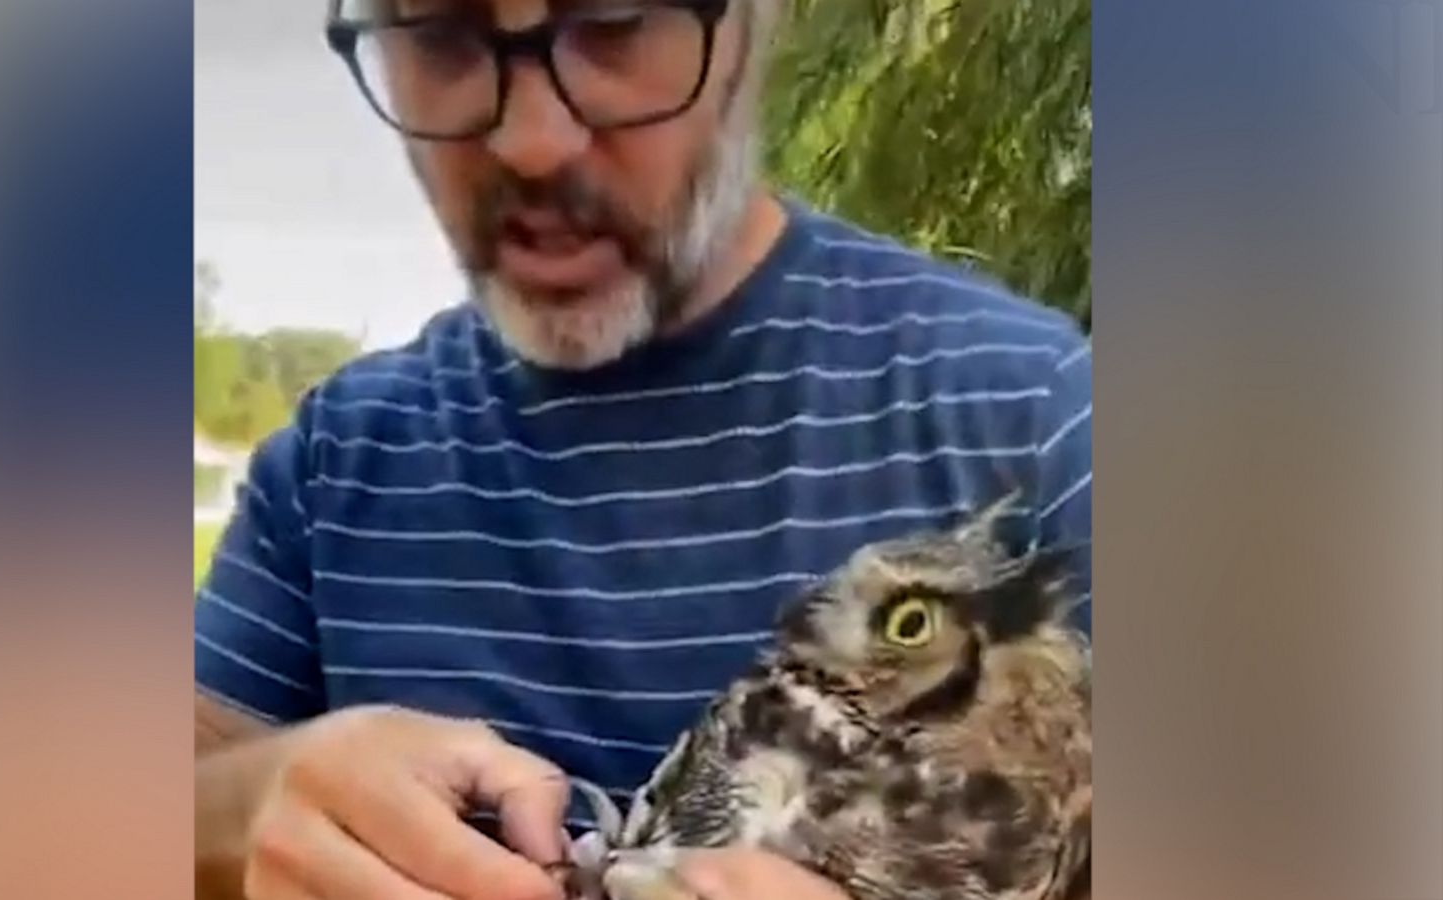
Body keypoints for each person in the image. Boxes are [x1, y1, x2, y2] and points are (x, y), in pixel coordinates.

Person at [194, 1, 1092, 898]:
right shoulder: (338, 459)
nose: (532, 141)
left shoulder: (1042, 416)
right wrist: (238, 813)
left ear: (758, 24)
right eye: (441, 36)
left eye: (614, 24)